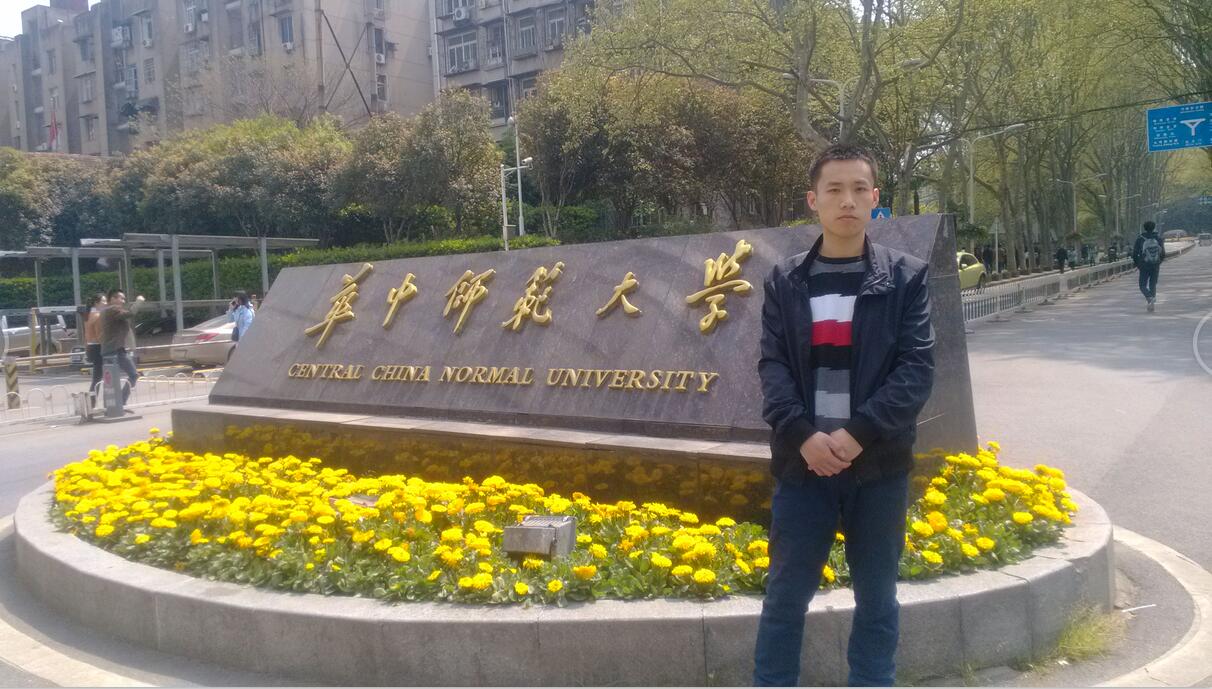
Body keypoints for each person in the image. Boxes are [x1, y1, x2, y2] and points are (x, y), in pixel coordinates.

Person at [754, 144, 936, 686]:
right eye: (834, 189)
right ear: (813, 200)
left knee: (877, 597)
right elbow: (773, 367)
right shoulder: (784, 281)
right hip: (802, 467)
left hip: (877, 468)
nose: (847, 200)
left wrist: (857, 435)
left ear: (875, 198)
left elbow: (916, 370)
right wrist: (803, 436)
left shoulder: (906, 279)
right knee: (785, 597)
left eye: (859, 189)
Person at [100, 290, 144, 406]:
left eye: (124, 299)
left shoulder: (107, 311)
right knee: (131, 375)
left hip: (113, 349)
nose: (123, 301)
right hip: (114, 349)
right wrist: (139, 301)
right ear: (113, 299)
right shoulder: (112, 309)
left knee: (111, 379)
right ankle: (118, 402)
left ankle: (113, 405)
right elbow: (130, 313)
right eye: (121, 298)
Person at [1132, 221, 1165, 312]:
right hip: (1155, 265)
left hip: (1144, 265)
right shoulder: (1158, 238)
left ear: (1144, 228)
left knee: (1142, 285)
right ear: (1154, 228)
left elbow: (1134, 254)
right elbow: (1163, 253)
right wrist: (1158, 262)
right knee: (1152, 284)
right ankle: (1151, 302)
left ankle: (1149, 298)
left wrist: (1138, 264)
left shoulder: (1140, 239)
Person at [82, 293, 107, 398]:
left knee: (97, 377)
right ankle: (92, 402)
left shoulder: (88, 315)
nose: (106, 303)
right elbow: (100, 335)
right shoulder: (97, 315)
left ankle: (92, 402)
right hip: (98, 347)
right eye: (103, 301)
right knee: (100, 377)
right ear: (96, 303)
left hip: (91, 346)